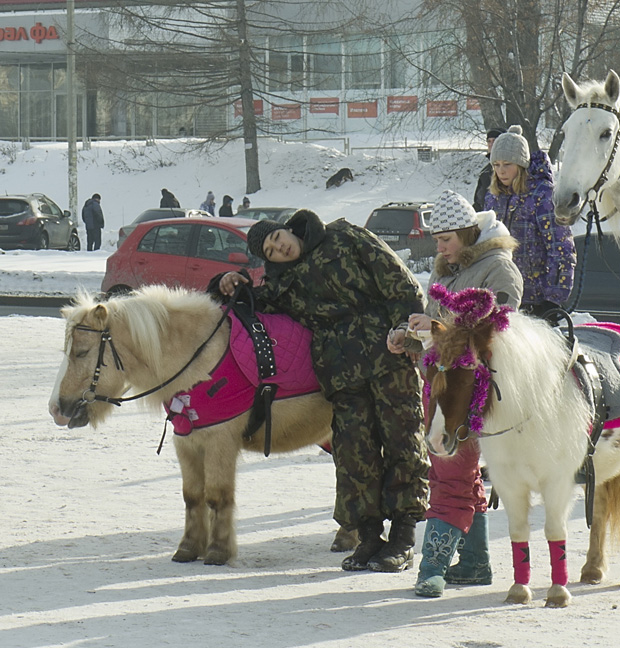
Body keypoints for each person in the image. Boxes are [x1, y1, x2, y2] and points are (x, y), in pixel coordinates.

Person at [215, 210, 430, 573]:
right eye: (270, 251)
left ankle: (402, 538)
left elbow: (400, 283)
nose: (279, 248)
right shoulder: (283, 284)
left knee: (402, 441)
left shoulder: (344, 236)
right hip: (340, 372)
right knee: (353, 452)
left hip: (388, 355)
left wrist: (404, 329)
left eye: (277, 238)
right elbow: (248, 304)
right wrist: (226, 281)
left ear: (289, 228)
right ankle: (369, 537)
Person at [388, 189, 523, 597]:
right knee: (457, 473)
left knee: (448, 472)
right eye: (436, 240)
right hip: (441, 383)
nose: (439, 248)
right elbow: (439, 334)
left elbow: (498, 333)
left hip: (474, 391)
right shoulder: (445, 269)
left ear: (467, 233)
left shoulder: (499, 268)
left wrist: (439, 330)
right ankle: (476, 563)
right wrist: (411, 339)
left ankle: (433, 565)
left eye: (446, 239)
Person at [484, 124, 576, 316]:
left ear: (521, 164)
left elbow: (561, 247)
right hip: (501, 293)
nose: (501, 171)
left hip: (536, 298)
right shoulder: (493, 197)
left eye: (507, 164)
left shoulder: (542, 195)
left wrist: (553, 298)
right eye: (496, 165)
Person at [472, 128, 504, 212]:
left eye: (494, 141)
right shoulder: (485, 172)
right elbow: (478, 202)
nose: (491, 144)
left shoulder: (511, 169)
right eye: (489, 141)